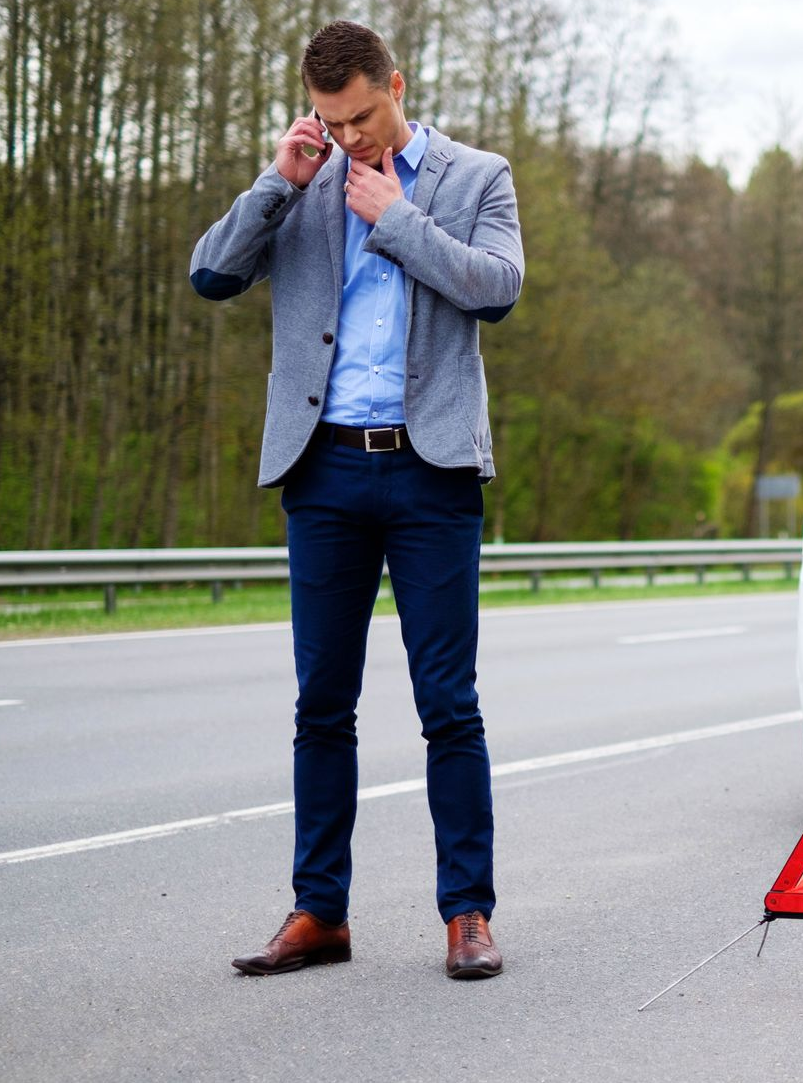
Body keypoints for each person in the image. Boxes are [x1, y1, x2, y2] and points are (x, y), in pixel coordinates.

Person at [189, 19, 523, 979]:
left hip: (431, 472)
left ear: (397, 86)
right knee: (321, 705)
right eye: (333, 123)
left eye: (363, 117)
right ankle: (318, 912)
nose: (351, 139)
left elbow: (497, 289)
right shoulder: (304, 179)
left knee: (447, 705)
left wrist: (399, 220)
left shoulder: (475, 176)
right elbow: (211, 274)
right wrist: (277, 182)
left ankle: (467, 913)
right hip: (324, 470)